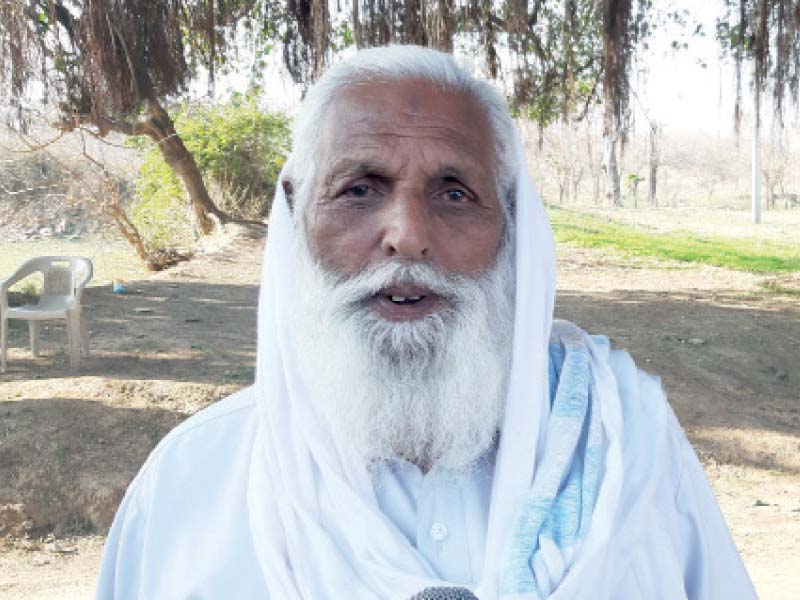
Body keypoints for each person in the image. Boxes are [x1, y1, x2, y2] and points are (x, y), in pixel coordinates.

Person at [95, 45, 755, 599]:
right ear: (296, 214)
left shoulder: (623, 451)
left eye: (454, 193)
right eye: (359, 188)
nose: (407, 236)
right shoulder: (194, 482)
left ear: (512, 226)